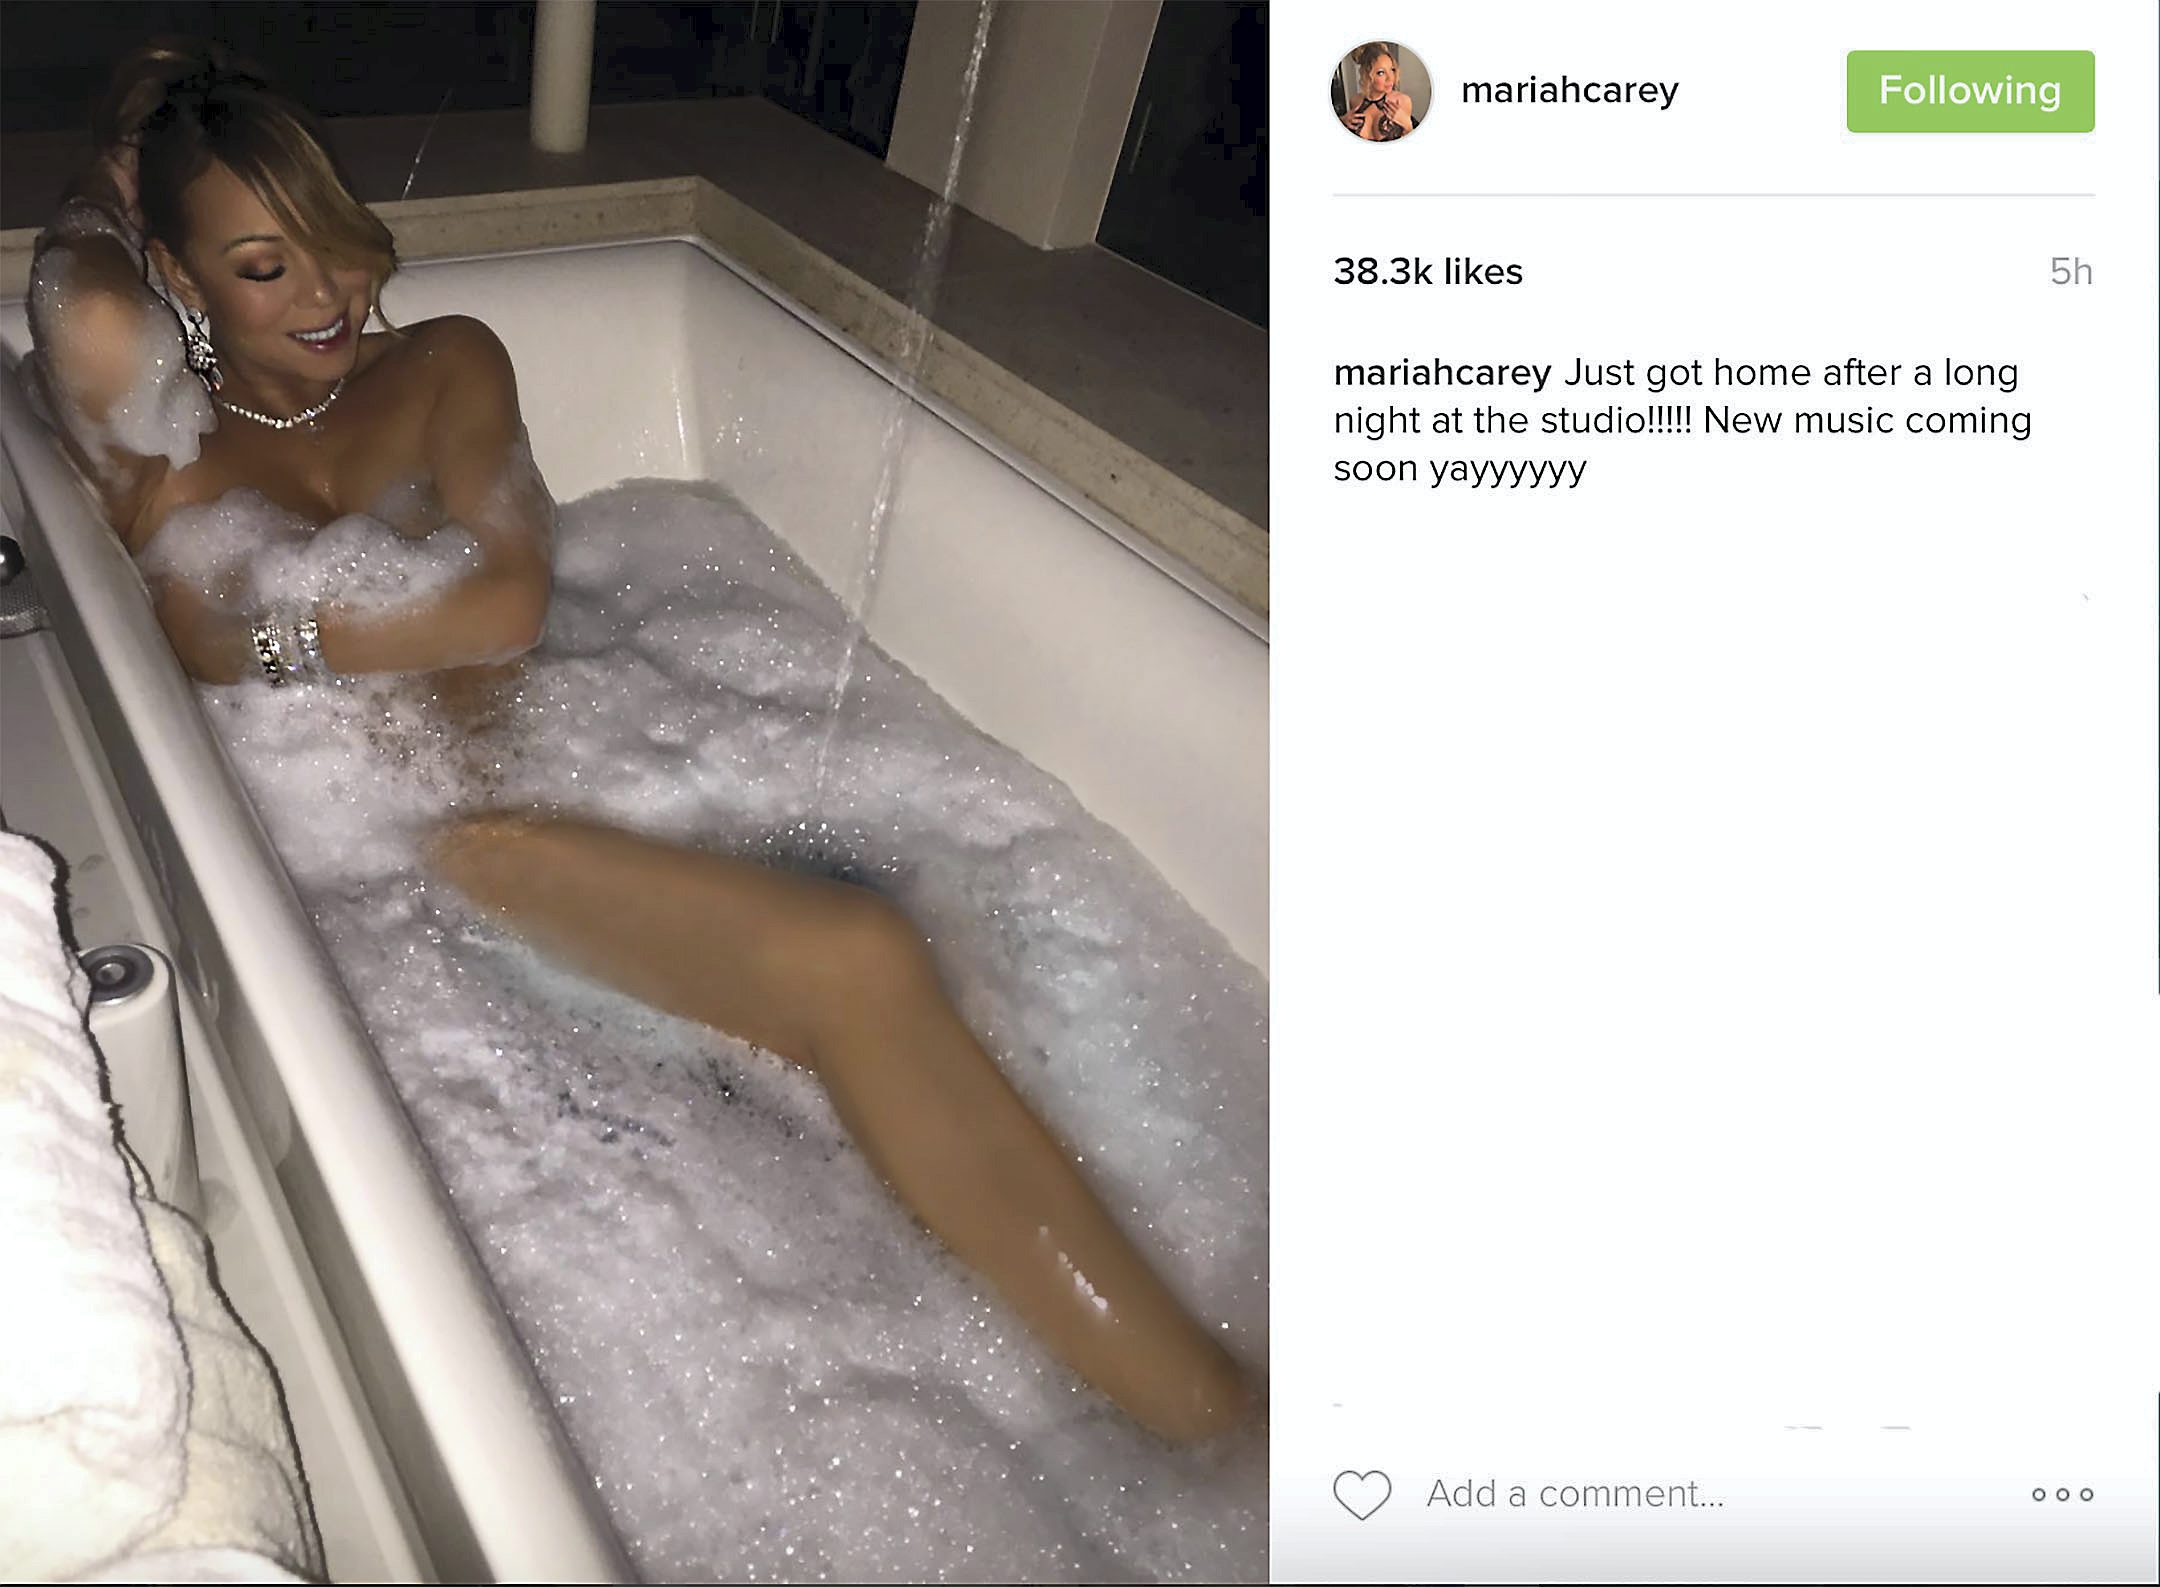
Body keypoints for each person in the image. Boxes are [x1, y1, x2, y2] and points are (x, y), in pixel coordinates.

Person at [28, 41, 1250, 1444]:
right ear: (177, 279)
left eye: (335, 244)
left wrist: (252, 638)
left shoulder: (443, 364)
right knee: (854, 956)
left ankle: (1193, 1407)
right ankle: (1213, 1419)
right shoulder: (167, 451)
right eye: (262, 267)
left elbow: (505, 604)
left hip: (532, 804)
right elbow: (79, 296)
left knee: (868, 965)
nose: (326, 296)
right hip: (411, 862)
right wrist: (127, 146)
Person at [1341, 43, 1414, 141]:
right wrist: (1341, 121)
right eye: (1381, 72)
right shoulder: (1355, 101)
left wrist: (1408, 125)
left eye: (1392, 70)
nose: (1390, 78)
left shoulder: (1402, 101)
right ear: (1367, 75)